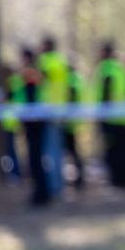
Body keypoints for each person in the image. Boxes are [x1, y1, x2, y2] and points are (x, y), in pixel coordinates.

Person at [39, 36, 84, 190]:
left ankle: (54, 186)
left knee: (51, 151)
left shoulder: (45, 61)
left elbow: (41, 80)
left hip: (48, 111)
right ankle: (59, 185)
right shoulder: (61, 61)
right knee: (59, 150)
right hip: (61, 109)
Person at [97, 42, 125, 190]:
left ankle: (118, 181)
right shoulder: (123, 68)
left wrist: (101, 114)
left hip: (112, 119)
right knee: (124, 151)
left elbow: (105, 95)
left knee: (114, 151)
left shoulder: (106, 69)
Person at [18, 47, 53, 206]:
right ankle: (42, 192)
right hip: (37, 122)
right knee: (36, 158)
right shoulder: (37, 73)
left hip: (34, 123)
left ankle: (41, 194)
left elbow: (30, 98)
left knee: (35, 159)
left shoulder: (29, 75)